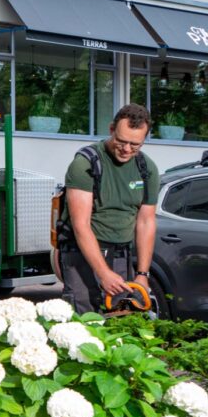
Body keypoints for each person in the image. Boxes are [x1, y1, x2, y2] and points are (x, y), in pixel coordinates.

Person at [57, 104, 160, 312]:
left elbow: (146, 221)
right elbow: (80, 225)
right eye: (121, 141)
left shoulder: (146, 168)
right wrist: (103, 273)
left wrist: (142, 274)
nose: (127, 149)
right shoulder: (85, 164)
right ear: (112, 129)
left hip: (121, 253)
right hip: (83, 254)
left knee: (121, 321)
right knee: (85, 321)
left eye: (135, 145)